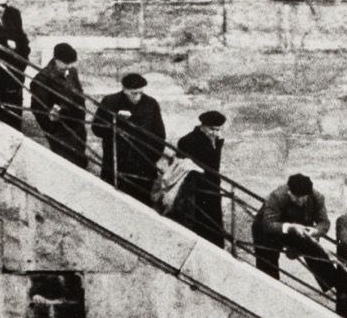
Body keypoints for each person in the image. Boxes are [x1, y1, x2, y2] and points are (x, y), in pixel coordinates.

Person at [252, 173, 344, 298]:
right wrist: (291, 227)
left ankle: (336, 290)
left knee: (314, 248)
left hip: (298, 228)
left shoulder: (317, 198)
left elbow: (324, 222)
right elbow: (268, 224)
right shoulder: (276, 196)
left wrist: (315, 231)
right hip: (266, 230)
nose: (300, 201)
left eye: (304, 197)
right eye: (297, 198)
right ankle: (270, 292)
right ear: (289, 192)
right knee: (267, 258)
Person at [91, 72, 166, 201]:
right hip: (116, 163)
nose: (137, 97)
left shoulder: (151, 104)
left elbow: (159, 135)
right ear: (124, 90)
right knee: (114, 201)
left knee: (142, 202)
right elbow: (96, 128)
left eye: (140, 93)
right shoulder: (110, 102)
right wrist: (115, 122)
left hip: (143, 165)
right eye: (133, 93)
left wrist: (152, 158)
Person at [173, 110, 228, 247]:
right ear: (203, 126)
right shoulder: (188, 141)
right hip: (196, 191)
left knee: (213, 226)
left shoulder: (214, 141)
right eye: (212, 129)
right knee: (201, 225)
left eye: (218, 130)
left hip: (212, 189)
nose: (215, 133)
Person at [29, 43, 88, 167]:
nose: (69, 66)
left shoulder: (72, 71)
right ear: (56, 60)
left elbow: (79, 94)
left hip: (77, 127)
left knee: (80, 162)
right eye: (66, 63)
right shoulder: (41, 80)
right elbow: (38, 108)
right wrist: (51, 123)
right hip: (60, 130)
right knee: (67, 164)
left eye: (72, 63)